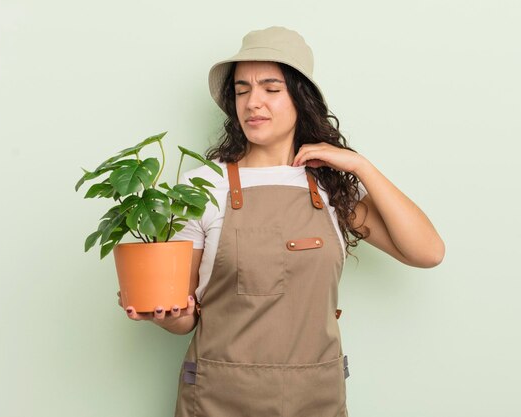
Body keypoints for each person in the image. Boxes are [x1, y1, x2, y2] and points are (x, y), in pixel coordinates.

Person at [118, 26, 445, 416]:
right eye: (242, 90)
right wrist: (165, 315)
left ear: (300, 97)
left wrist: (360, 166)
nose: (253, 103)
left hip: (315, 399)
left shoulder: (332, 187)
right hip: (218, 399)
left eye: (271, 89)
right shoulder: (204, 185)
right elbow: (186, 317)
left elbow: (428, 252)